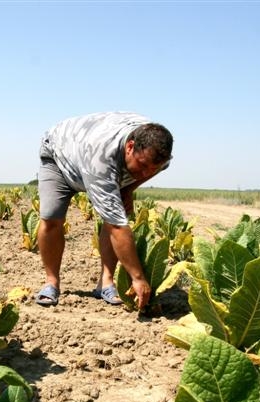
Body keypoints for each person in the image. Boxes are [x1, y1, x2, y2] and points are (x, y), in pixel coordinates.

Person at [34, 112, 173, 309]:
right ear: (130, 146)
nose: (145, 173)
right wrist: (138, 277)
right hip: (60, 157)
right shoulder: (101, 158)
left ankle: (105, 283)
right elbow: (117, 226)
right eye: (142, 165)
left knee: (113, 214)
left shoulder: (156, 151)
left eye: (153, 169)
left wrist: (128, 189)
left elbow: (153, 167)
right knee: (51, 217)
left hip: (94, 155)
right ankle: (51, 282)